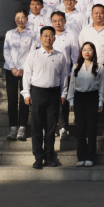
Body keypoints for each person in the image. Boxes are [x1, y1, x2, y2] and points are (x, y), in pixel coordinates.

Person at [21, 26, 69, 169]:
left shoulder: (60, 56)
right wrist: (26, 93)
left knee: (51, 127)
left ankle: (49, 156)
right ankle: (38, 157)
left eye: (51, 35)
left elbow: (64, 77)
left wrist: (63, 94)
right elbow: (27, 75)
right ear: (41, 38)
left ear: (55, 38)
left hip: (54, 94)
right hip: (37, 93)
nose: (48, 38)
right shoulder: (33, 55)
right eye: (46, 35)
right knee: (36, 127)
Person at [78, 5, 104, 138]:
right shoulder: (85, 30)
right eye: (96, 13)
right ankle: (89, 129)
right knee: (90, 98)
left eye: (101, 13)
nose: (98, 15)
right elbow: (81, 48)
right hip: (89, 67)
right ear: (91, 15)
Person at [68, 41, 104, 167]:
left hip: (92, 97)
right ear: (81, 52)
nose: (87, 52)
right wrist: (71, 100)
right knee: (80, 128)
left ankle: (90, 157)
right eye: (84, 49)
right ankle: (81, 157)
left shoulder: (99, 67)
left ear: (93, 52)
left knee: (91, 128)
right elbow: (72, 84)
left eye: (89, 49)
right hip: (79, 98)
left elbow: (102, 85)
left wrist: (101, 100)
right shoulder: (76, 66)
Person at [3, 9, 38, 142]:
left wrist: (23, 68)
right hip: (10, 69)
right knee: (12, 99)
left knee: (25, 98)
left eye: (23, 17)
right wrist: (13, 67)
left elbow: (32, 52)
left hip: (26, 70)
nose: (20, 20)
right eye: (18, 17)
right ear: (14, 19)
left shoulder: (32, 34)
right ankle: (13, 127)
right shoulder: (9, 33)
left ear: (27, 19)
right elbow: (6, 51)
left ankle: (22, 127)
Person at [51, 11, 79, 140]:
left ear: (65, 21)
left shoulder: (71, 37)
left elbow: (75, 58)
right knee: (51, 102)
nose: (58, 23)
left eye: (60, 20)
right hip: (49, 74)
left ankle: (63, 128)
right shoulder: (48, 35)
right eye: (55, 20)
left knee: (63, 102)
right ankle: (51, 127)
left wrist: (71, 74)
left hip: (65, 75)